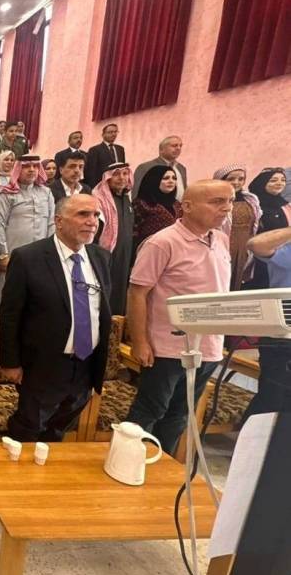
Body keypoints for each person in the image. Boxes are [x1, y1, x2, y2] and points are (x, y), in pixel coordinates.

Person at [125, 180, 233, 455]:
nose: (226, 208)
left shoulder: (221, 239)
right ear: (187, 206)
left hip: (208, 347)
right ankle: (127, 462)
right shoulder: (162, 242)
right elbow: (137, 293)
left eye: (229, 201)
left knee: (180, 414)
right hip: (167, 347)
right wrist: (140, 341)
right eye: (216, 202)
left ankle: (162, 467)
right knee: (151, 410)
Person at [0, 194, 112, 441]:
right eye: (83, 214)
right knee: (29, 429)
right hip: (44, 365)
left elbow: (100, 312)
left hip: (86, 365)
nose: (92, 221)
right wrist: (10, 361)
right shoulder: (28, 258)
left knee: (59, 431)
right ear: (59, 221)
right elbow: (10, 314)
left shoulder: (101, 258)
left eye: (95, 215)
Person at [0, 157, 55, 315]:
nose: (32, 170)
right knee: (7, 297)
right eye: (27, 166)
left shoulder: (46, 193)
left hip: (41, 255)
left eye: (35, 166)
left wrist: (51, 251)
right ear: (18, 169)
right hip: (13, 254)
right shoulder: (6, 194)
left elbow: (51, 223)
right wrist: (3, 254)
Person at [243, 227, 291, 419]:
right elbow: (256, 245)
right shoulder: (287, 251)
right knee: (271, 403)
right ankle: (250, 438)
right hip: (282, 341)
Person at [92, 163, 134, 315]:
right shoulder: (99, 199)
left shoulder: (126, 199)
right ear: (107, 178)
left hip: (124, 255)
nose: (121, 178)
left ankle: (117, 325)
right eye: (116, 174)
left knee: (120, 293)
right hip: (105, 254)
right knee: (105, 292)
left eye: (125, 174)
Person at [214, 165, 261, 290]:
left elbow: (254, 224)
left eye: (241, 179)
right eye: (231, 179)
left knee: (239, 281)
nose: (236, 182)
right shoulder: (213, 200)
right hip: (221, 245)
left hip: (244, 246)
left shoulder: (251, 200)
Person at [245, 168, 291, 290]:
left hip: (283, 255)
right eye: (273, 180)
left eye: (283, 180)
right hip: (257, 255)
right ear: (262, 183)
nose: (279, 183)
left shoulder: (285, 205)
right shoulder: (253, 206)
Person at [133, 165, 181, 249]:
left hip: (174, 249)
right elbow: (133, 232)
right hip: (148, 249)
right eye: (166, 178)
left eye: (174, 178)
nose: (171, 181)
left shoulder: (177, 204)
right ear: (154, 180)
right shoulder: (141, 203)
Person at [132, 135, 187, 200]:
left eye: (180, 146)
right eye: (174, 145)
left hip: (179, 205)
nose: (178, 148)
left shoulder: (181, 168)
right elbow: (136, 194)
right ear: (161, 149)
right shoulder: (145, 167)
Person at [84, 123, 125, 188]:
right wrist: (93, 188)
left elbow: (122, 168)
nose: (113, 134)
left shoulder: (120, 149)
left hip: (117, 186)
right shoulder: (95, 150)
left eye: (115, 132)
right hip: (101, 185)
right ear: (103, 135)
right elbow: (91, 172)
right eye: (110, 132)